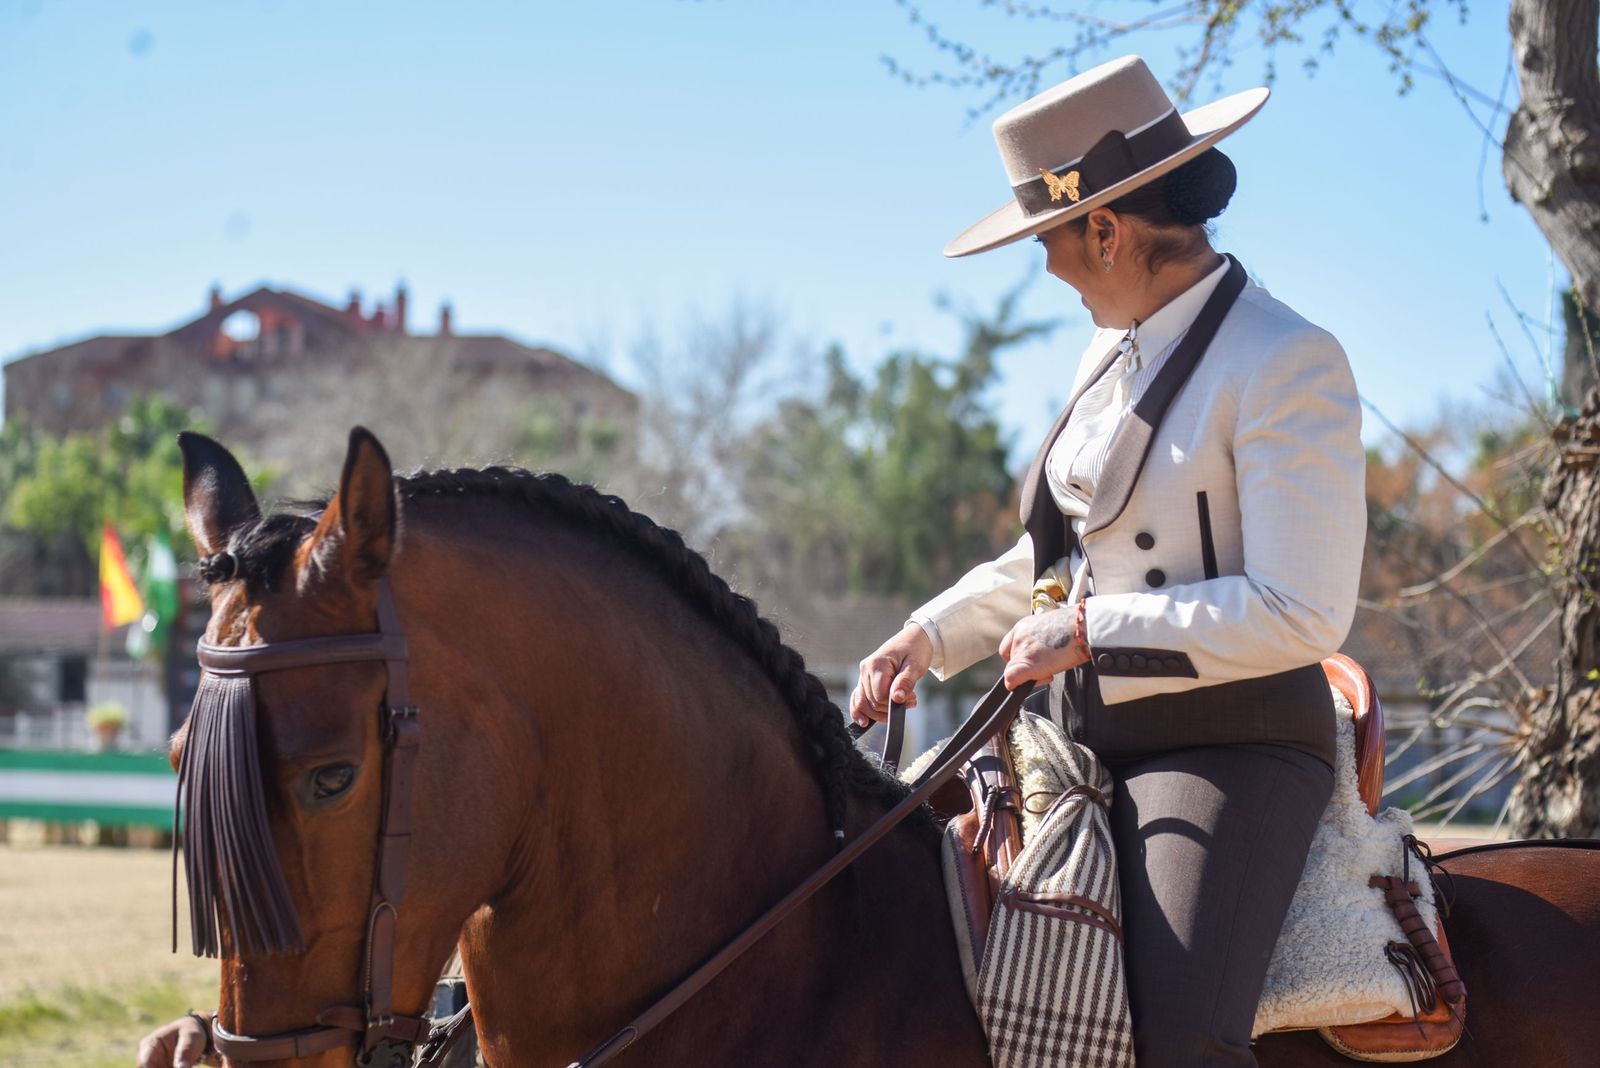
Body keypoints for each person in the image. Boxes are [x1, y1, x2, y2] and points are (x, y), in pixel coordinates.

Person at [850, 56, 1365, 1066]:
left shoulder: (1286, 361)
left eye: (1047, 241)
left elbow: (1303, 610)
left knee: (1176, 1037)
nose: (1045, 270)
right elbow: (1060, 558)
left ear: (1104, 228)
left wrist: (1090, 632)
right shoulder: (1112, 345)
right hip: (1071, 738)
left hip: (1225, 744)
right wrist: (931, 634)